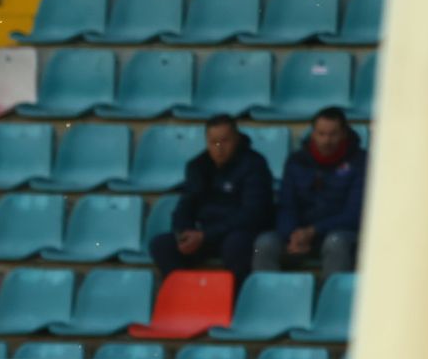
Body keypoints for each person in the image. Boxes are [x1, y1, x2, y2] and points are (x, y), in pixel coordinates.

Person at [150, 115, 274, 284]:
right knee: (162, 244)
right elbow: (185, 205)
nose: (219, 148)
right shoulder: (197, 165)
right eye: (213, 142)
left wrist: (206, 235)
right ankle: (182, 296)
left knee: (236, 245)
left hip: (237, 233)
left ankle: (234, 301)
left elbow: (253, 213)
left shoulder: (254, 164)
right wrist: (183, 233)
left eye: (225, 141)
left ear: (236, 139)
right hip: (204, 235)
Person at [254, 106, 367, 277]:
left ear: (344, 133)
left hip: (340, 233)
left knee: (335, 243)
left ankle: (333, 299)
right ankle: (270, 298)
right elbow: (286, 205)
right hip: (299, 235)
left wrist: (314, 231)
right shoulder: (297, 160)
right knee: (263, 244)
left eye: (333, 134)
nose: (326, 140)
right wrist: (292, 234)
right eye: (321, 134)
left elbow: (354, 214)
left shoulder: (360, 161)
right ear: (313, 133)